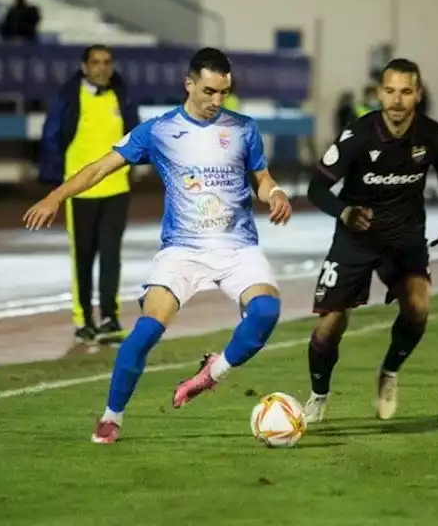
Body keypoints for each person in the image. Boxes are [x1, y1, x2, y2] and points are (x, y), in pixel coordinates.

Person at [22, 47, 293, 445]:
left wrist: (276, 193)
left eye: (224, 92)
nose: (216, 101)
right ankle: (112, 417)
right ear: (189, 84)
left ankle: (209, 375)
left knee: (267, 310)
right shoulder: (160, 130)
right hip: (182, 250)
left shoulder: (243, 128)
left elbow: (262, 178)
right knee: (145, 333)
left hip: (237, 247)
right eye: (208, 91)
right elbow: (100, 167)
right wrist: (54, 197)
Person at [303, 58, 438, 423]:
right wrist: (343, 212)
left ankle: (389, 373)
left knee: (418, 308)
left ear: (418, 95)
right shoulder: (358, 135)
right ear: (379, 94)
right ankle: (318, 395)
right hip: (355, 240)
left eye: (406, 91)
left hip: (404, 239)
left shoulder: (434, 136)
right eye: (390, 91)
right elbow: (316, 187)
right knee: (330, 327)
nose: (397, 100)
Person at [39, 45, 140, 344]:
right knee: (82, 257)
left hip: (117, 187)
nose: (102, 68)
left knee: (111, 255)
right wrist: (55, 178)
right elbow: (52, 135)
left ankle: (109, 317)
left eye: (107, 62)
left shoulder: (122, 95)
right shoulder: (70, 97)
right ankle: (84, 320)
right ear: (84, 67)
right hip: (80, 191)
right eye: (95, 62)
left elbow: (135, 134)